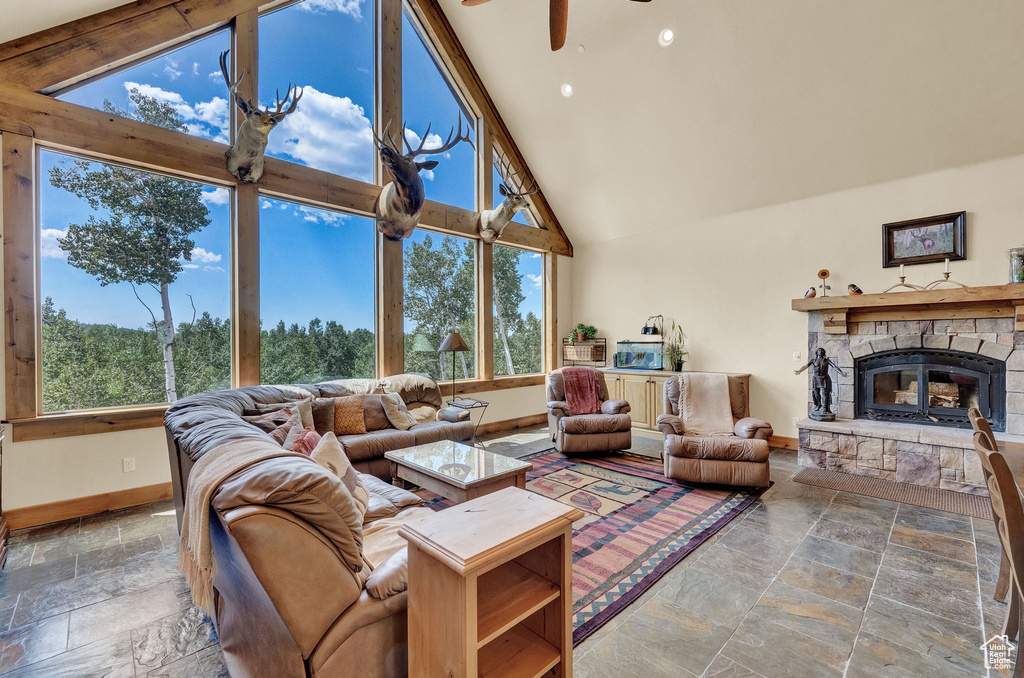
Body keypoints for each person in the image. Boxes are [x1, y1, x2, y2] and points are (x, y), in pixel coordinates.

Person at [795, 348, 848, 420]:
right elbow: (805, 366)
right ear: (817, 352)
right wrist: (799, 371)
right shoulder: (814, 360)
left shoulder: (827, 360)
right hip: (816, 378)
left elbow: (835, 367)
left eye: (822, 351)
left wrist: (841, 373)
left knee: (825, 394)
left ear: (824, 352)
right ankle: (818, 405)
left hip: (825, 378)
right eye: (819, 350)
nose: (821, 351)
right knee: (816, 393)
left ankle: (824, 408)